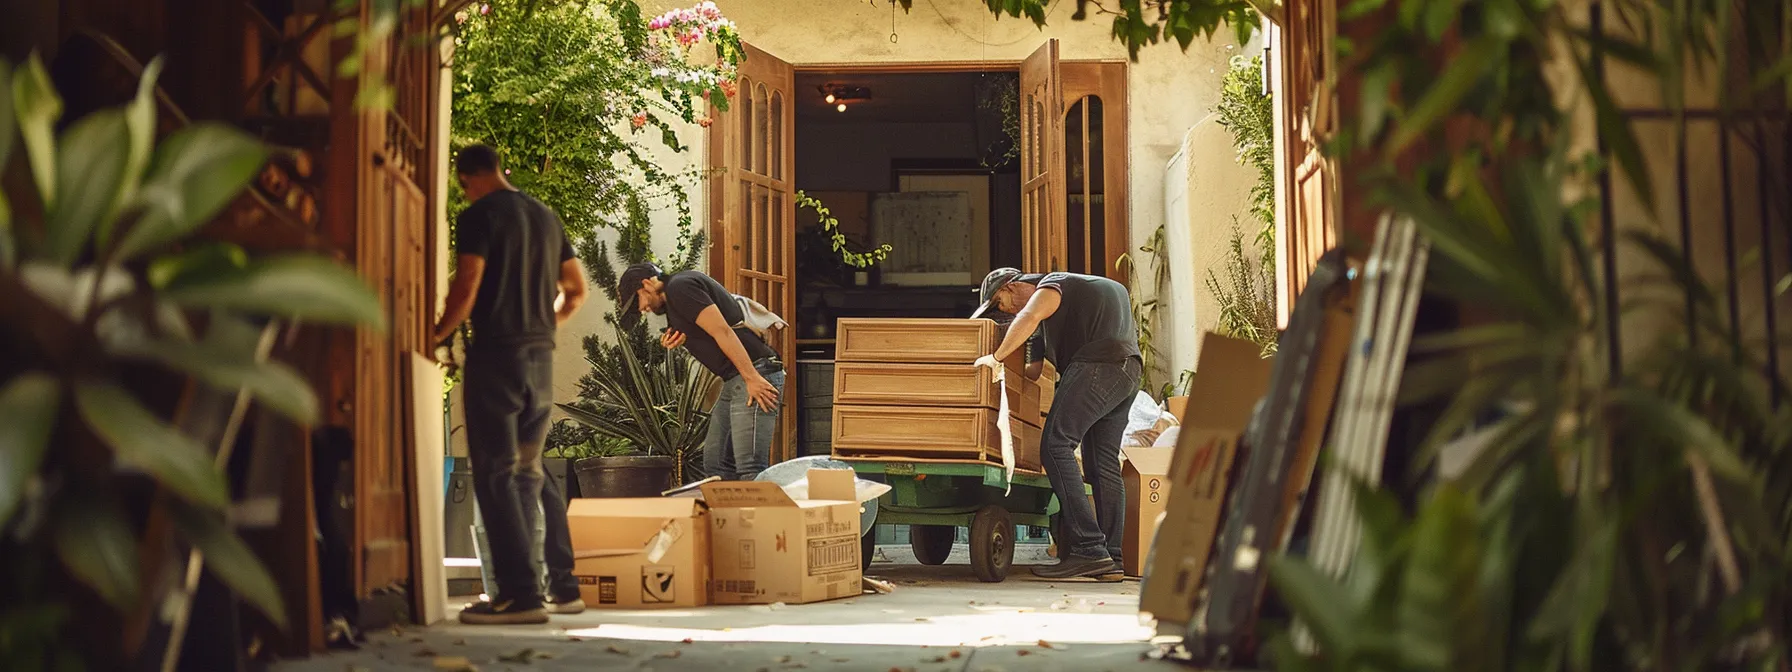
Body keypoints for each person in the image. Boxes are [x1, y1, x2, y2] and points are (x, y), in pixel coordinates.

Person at [431, 144, 589, 624]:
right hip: (539, 360)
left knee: (496, 474)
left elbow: (467, 285)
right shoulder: (545, 217)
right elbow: (576, 291)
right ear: (500, 168)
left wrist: (435, 335)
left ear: (467, 178)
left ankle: (519, 596)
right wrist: (541, 328)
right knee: (529, 472)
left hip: (496, 358)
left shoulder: (479, 216)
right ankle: (561, 588)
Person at [970, 268, 1140, 581]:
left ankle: (1089, 549)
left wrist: (995, 357)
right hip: (1127, 370)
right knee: (1101, 464)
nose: (1005, 312)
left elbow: (1029, 314)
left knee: (1055, 445)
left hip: (1098, 364)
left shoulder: (1052, 284)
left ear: (1012, 286)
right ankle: (1111, 558)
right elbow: (1033, 371)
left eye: (1000, 303)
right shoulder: (1048, 316)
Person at [617, 263, 784, 481]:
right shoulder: (676, 298)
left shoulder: (679, 287)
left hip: (754, 373)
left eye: (637, 301)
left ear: (647, 284)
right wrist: (686, 338)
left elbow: (722, 330)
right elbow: (716, 325)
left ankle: (765, 504)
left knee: (750, 466)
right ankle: (726, 506)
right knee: (716, 464)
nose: (641, 309)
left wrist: (752, 378)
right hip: (735, 379)